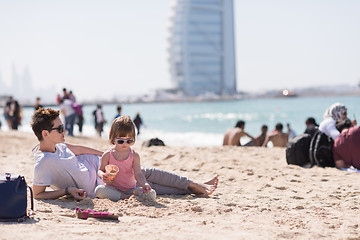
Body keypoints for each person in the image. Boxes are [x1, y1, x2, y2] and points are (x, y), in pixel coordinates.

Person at [31, 108, 218, 200]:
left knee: (147, 172)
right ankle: (192, 188)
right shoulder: (43, 163)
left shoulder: (60, 146)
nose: (64, 131)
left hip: (105, 165)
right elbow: (38, 194)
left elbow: (80, 150)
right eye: (60, 128)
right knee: (148, 183)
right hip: (102, 182)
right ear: (45, 134)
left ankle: (193, 184)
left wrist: (108, 154)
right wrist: (66, 191)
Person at [95, 116, 154, 201]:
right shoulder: (108, 155)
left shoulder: (134, 155)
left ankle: (126, 196)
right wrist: (103, 176)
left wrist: (144, 184)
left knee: (152, 193)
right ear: (113, 137)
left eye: (129, 141)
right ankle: (124, 197)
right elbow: (100, 170)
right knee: (99, 190)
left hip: (131, 189)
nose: (125, 144)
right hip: (113, 188)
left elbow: (138, 174)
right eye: (120, 141)